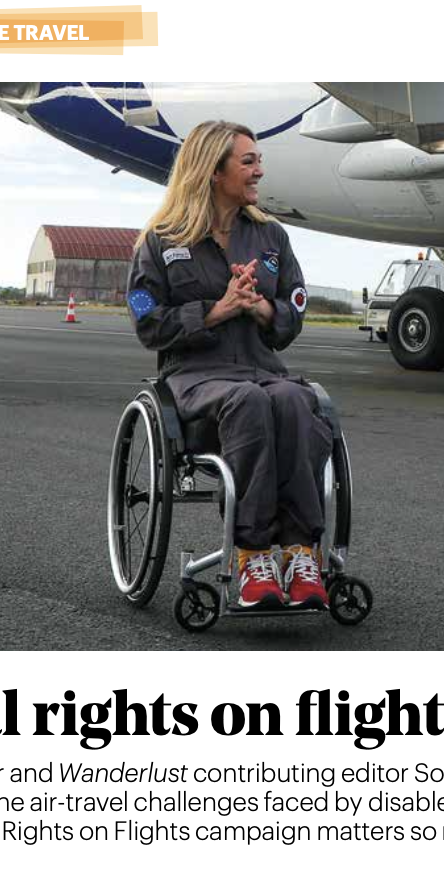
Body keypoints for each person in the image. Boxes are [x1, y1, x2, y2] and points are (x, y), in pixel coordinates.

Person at [127, 120, 331, 610]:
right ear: (214, 171)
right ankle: (253, 553)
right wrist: (217, 310)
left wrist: (259, 306)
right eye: (248, 162)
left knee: (296, 400)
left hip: (261, 368)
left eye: (257, 160)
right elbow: (146, 321)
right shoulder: (160, 241)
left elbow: (293, 310)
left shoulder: (270, 236)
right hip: (197, 379)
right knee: (249, 402)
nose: (260, 170)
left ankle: (302, 552)